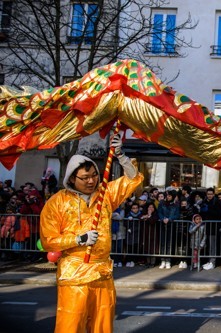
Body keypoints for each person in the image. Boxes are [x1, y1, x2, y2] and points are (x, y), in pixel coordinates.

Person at [39, 134, 143, 333]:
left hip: (102, 273)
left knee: (102, 325)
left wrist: (121, 155)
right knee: (70, 325)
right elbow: (49, 241)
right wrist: (79, 239)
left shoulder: (105, 194)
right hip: (74, 274)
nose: (91, 181)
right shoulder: (57, 202)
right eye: (84, 178)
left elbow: (132, 180)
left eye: (93, 175)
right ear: (71, 178)